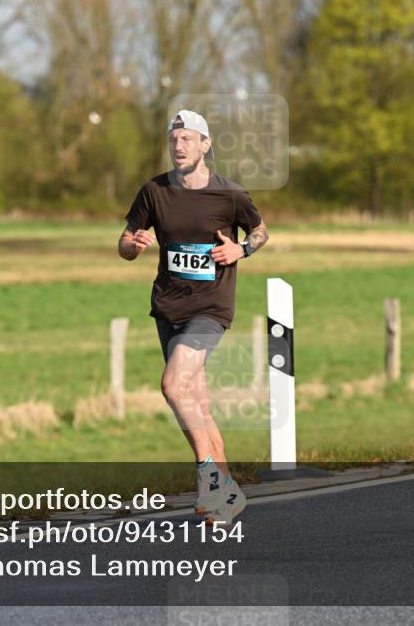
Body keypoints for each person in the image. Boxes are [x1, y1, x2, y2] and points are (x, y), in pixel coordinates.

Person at [118, 109, 269, 525]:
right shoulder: (154, 191)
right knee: (197, 402)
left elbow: (260, 231)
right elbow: (124, 243)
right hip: (168, 308)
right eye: (173, 139)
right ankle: (228, 493)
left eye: (187, 138)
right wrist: (133, 245)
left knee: (173, 384)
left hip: (210, 308)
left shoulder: (230, 195)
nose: (178, 146)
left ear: (205, 144)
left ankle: (207, 474)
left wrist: (241, 249)